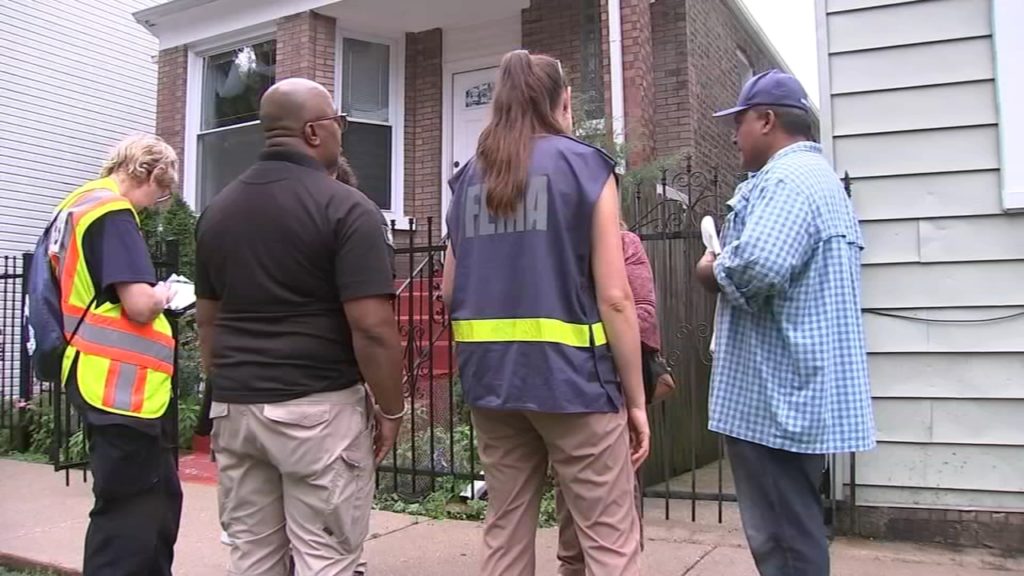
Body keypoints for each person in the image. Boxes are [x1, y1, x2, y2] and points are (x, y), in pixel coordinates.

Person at [442, 50, 650, 576]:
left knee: (505, 532)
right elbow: (617, 298)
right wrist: (636, 400)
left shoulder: (468, 179)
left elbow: (448, 292)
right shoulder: (585, 166)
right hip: (573, 383)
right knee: (609, 542)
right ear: (563, 101)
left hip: (492, 383)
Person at [195, 78, 405, 576]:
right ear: (314, 132)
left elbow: (208, 320)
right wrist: (391, 409)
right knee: (326, 561)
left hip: (237, 410)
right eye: (340, 122)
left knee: (252, 559)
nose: (342, 133)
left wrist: (231, 385)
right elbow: (373, 328)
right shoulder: (348, 209)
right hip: (317, 412)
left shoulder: (216, 213)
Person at [694, 69, 875, 576]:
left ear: (767, 120)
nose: (734, 135)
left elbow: (755, 268)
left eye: (741, 122)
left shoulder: (787, 181)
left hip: (775, 400)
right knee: (794, 528)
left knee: (783, 540)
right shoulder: (818, 181)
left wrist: (709, 267)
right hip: (796, 392)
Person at [51, 134, 182, 575]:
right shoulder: (112, 211)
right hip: (120, 386)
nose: (153, 205)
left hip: (98, 377)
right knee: (133, 513)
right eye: (159, 193)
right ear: (146, 173)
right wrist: (164, 293)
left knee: (149, 500)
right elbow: (139, 305)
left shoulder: (77, 204)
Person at [554, 226, 675, 575]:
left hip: (609, 386)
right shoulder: (555, 241)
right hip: (565, 387)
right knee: (570, 500)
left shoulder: (624, 243)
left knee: (613, 507)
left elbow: (643, 313)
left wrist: (591, 330)